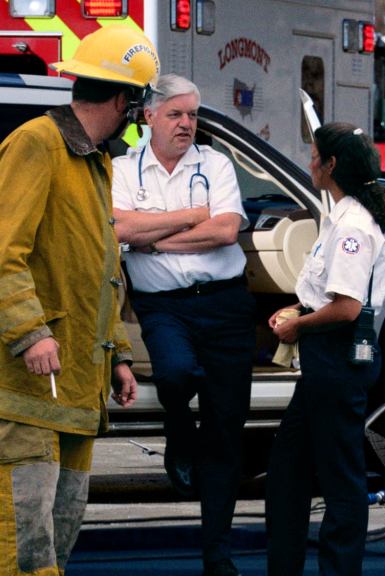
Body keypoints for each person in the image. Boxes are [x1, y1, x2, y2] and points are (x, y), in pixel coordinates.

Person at [0, 26, 158, 575]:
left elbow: (97, 266)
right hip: (27, 396)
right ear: (124, 99)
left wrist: (117, 352)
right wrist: (30, 331)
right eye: (140, 104)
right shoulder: (36, 144)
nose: (141, 118)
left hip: (75, 391)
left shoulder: (95, 160)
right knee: (23, 549)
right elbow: (3, 251)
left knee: (57, 544)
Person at [111, 74, 255, 576]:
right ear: (148, 117)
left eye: (192, 115)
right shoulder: (123, 170)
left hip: (225, 306)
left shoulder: (215, 164)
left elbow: (225, 230)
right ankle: (177, 430)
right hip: (163, 308)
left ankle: (217, 554)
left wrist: (153, 239)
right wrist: (191, 217)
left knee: (225, 431)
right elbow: (120, 228)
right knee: (174, 375)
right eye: (175, 114)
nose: (186, 124)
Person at [265, 123, 385, 575]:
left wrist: (299, 324)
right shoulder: (338, 217)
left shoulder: (352, 226)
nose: (309, 162)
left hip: (338, 357)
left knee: (341, 480)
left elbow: (347, 307)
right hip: (323, 362)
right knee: (286, 473)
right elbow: (327, 294)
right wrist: (298, 306)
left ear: (332, 165)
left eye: (314, 155)